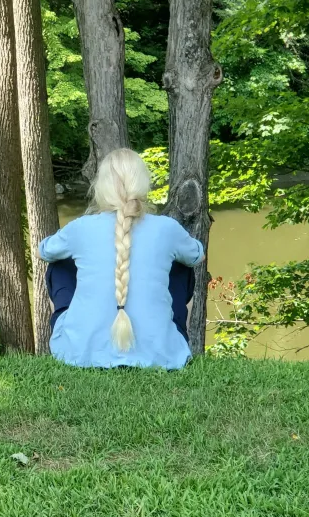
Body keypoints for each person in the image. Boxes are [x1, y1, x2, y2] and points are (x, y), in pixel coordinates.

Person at [39, 148, 204, 369]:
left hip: (80, 353)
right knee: (183, 266)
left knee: (58, 263)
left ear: (101, 186)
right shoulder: (167, 228)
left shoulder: (82, 227)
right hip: (159, 356)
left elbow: (43, 251)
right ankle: (169, 340)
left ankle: (76, 337)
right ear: (143, 184)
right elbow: (197, 255)